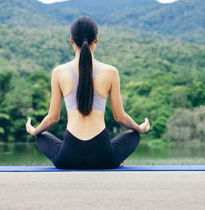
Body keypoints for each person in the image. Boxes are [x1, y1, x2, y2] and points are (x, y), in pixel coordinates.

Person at [25, 16, 150, 169]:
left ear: (71, 40)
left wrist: (34, 131)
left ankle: (107, 155)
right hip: (104, 158)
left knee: (41, 136)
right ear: (96, 39)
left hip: (67, 158)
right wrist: (140, 128)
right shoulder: (110, 72)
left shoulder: (59, 72)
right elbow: (120, 117)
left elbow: (52, 118)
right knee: (134, 135)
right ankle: (116, 157)